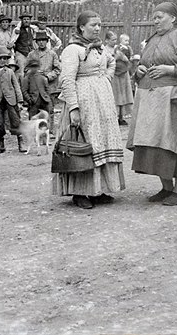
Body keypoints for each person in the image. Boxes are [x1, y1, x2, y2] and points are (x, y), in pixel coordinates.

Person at [127, 3, 177, 206]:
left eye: (159, 17)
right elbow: (142, 64)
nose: (155, 21)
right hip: (151, 101)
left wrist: (170, 70)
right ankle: (166, 188)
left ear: (173, 18)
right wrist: (139, 71)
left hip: (175, 101)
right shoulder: (152, 39)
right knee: (156, 144)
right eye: (153, 18)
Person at [53, 11, 125, 210]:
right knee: (84, 143)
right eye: (93, 25)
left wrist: (105, 78)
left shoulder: (99, 48)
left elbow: (111, 62)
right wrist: (73, 108)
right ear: (81, 28)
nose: (97, 28)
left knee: (101, 141)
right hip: (83, 102)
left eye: (99, 25)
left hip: (102, 102)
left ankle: (98, 190)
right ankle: (80, 192)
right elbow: (66, 80)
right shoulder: (72, 50)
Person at [0, 46, 26, 154]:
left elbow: (16, 86)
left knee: (15, 120)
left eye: (5, 58)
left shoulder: (10, 72)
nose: (2, 61)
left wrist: (20, 101)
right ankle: (1, 144)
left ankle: (20, 142)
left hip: (11, 100)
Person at [26, 31, 61, 133]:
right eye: (39, 41)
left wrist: (47, 76)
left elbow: (58, 69)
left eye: (43, 41)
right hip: (35, 87)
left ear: (47, 42)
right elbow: (26, 69)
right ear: (36, 42)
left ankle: (49, 130)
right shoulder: (32, 54)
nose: (41, 43)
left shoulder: (52, 54)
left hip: (49, 87)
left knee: (49, 108)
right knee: (33, 109)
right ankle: (33, 130)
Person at [104, 31, 133, 125]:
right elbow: (106, 63)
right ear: (107, 40)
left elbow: (129, 59)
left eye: (116, 39)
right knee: (115, 95)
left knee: (123, 95)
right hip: (114, 75)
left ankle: (121, 117)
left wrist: (125, 58)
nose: (114, 41)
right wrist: (117, 57)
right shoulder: (104, 50)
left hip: (123, 73)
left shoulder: (120, 48)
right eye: (112, 40)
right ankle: (114, 117)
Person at [13, 13, 37, 82]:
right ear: (21, 21)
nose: (26, 21)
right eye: (24, 19)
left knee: (30, 72)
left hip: (29, 53)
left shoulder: (32, 29)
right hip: (20, 53)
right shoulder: (17, 30)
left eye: (28, 19)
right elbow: (13, 40)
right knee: (20, 73)